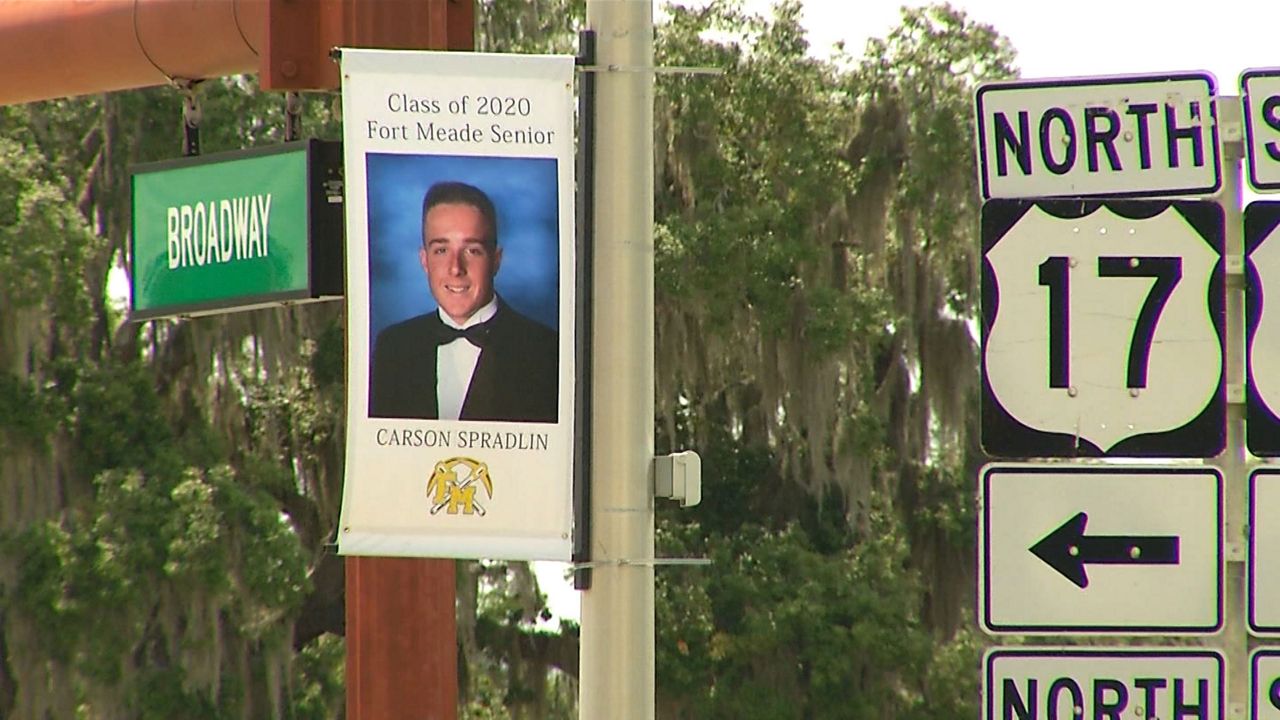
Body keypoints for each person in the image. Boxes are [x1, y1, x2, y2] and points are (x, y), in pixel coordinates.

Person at [369, 181, 558, 422]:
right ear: (424, 260)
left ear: (496, 260)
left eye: (472, 250)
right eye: (441, 250)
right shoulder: (393, 348)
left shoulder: (546, 352)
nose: (456, 268)